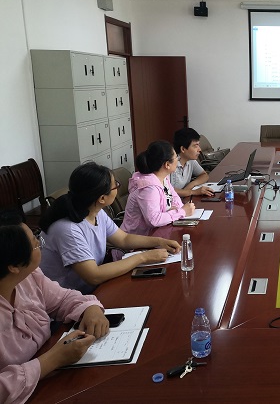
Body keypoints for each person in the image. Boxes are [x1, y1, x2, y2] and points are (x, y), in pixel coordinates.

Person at [0, 210, 109, 403]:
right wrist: (52, 360)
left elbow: (63, 299)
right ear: (14, 266)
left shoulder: (29, 277)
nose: (39, 244)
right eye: (35, 243)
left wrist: (90, 309)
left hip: (54, 382)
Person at [39, 162, 180, 294]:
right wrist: (143, 257)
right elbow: (93, 275)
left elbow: (123, 239)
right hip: (67, 298)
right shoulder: (68, 229)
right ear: (102, 198)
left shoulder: (96, 212)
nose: (118, 187)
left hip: (94, 288)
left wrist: (159, 241)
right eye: (116, 185)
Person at [121, 140, 195, 236]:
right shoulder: (148, 188)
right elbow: (154, 220)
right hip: (137, 240)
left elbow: (176, 200)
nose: (178, 159)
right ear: (167, 165)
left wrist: (176, 211)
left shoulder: (164, 178)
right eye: (176, 157)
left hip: (158, 232)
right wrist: (182, 212)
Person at [170, 127, 214, 199]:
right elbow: (168, 190)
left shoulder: (191, 161)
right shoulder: (170, 164)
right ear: (183, 149)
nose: (199, 149)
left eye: (198, 145)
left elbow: (204, 175)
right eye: (195, 146)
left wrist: (192, 184)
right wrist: (193, 192)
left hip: (185, 199)